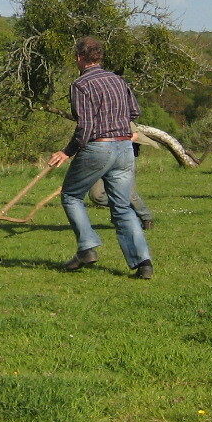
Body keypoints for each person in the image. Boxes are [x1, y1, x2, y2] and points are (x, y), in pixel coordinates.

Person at [48, 37, 154, 279]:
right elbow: (134, 111)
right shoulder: (119, 80)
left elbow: (85, 127)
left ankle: (87, 248)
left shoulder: (80, 85)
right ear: (100, 57)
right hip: (125, 147)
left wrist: (66, 152)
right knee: (122, 207)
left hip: (99, 147)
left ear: (79, 58)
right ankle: (143, 263)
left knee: (71, 195)